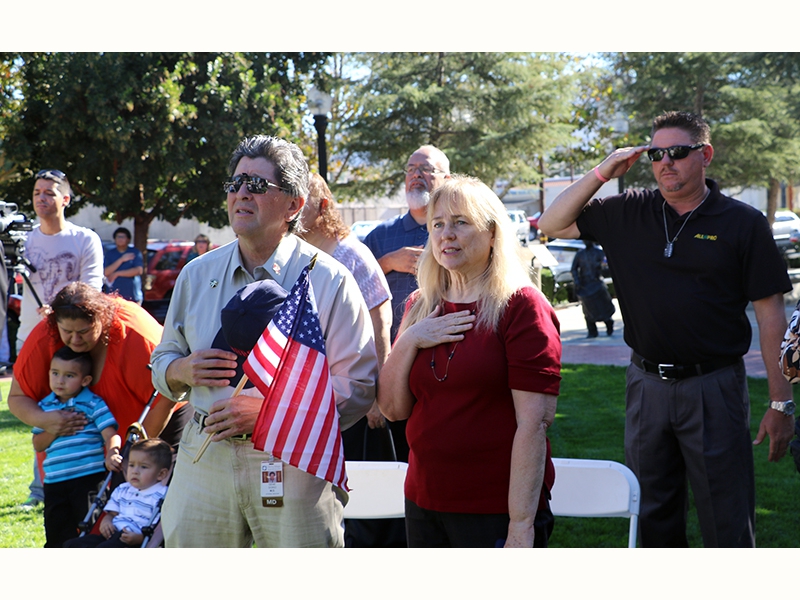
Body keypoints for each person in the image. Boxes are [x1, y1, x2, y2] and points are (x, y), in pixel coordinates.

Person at [538, 110, 795, 547]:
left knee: (727, 520)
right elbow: (550, 223)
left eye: (677, 152)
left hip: (714, 387)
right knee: (652, 517)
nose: (665, 162)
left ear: (705, 155)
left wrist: (781, 402)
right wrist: (604, 171)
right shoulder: (628, 211)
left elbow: (771, 316)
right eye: (656, 154)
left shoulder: (742, 222)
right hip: (645, 386)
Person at [150, 134, 378, 548]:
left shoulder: (329, 280)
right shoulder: (197, 274)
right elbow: (163, 357)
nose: (241, 194)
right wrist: (181, 369)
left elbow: (357, 385)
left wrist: (274, 415)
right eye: (235, 183)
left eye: (256, 185)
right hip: (204, 455)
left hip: (293, 459)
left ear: (293, 205)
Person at [378, 175, 561, 548]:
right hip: (424, 502)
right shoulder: (419, 306)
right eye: (437, 224)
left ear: (492, 233)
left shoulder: (521, 307)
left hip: (495, 509)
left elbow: (533, 424)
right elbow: (392, 410)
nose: (446, 234)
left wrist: (520, 526)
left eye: (460, 222)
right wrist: (411, 339)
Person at [299, 173, 395, 547]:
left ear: (323, 206)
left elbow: (381, 322)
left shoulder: (350, 254)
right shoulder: (298, 254)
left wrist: (375, 397)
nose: (292, 208)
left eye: (301, 200)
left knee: (364, 500)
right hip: (317, 399)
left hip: (355, 400)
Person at [8, 282, 189, 460]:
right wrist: (45, 420)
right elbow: (17, 397)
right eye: (67, 331)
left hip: (164, 420)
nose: (75, 339)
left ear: (102, 319)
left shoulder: (137, 338)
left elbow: (167, 398)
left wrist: (133, 457)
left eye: (84, 331)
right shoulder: (45, 334)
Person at [18, 169, 104, 510]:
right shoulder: (22, 242)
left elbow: (93, 287)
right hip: (32, 338)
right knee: (40, 413)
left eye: (49, 192)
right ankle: (40, 488)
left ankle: (90, 477)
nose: (41, 198)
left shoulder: (85, 238)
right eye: (37, 192)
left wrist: (60, 313)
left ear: (65, 199)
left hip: (75, 339)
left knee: (86, 408)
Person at [32, 346, 119, 547]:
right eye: (55, 373)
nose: (60, 380)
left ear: (85, 380)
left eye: (69, 375)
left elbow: (110, 434)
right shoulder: (44, 407)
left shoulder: (93, 403)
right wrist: (56, 428)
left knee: (93, 529)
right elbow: (38, 444)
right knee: (56, 533)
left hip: (89, 479)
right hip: (55, 482)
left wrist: (112, 453)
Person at [64, 438, 171, 548]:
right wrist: (106, 521)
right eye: (131, 465)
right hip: (110, 534)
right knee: (72, 545)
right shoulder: (123, 489)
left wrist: (140, 538)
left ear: (161, 474)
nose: (135, 471)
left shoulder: (163, 494)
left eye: (143, 467)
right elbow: (112, 514)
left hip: (131, 540)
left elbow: (158, 528)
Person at [570, 240, 615, 338]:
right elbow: (573, 269)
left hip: (597, 284)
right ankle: (592, 331)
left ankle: (609, 324)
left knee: (603, 308)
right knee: (588, 311)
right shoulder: (580, 254)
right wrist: (577, 281)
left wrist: (602, 267)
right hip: (585, 286)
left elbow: (606, 268)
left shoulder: (599, 252)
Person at [103, 226, 144, 304]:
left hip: (132, 296)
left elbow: (139, 270)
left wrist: (117, 273)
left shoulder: (135, 252)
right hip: (113, 297)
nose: (120, 239)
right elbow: (106, 272)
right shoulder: (110, 253)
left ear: (128, 239)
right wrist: (121, 259)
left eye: (122, 237)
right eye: (118, 237)